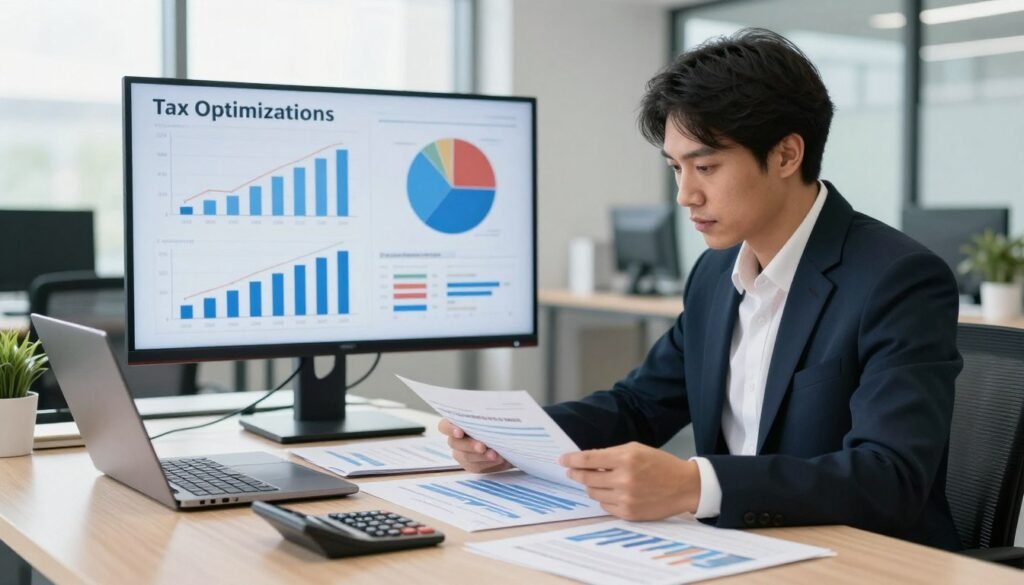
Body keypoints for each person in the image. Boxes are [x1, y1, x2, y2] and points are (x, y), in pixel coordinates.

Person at [439, 28, 963, 550]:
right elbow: (640, 406)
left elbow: (889, 477)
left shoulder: (897, 279)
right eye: (675, 168)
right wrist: (514, 437)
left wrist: (695, 485)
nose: (685, 194)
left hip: (861, 559)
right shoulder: (715, 276)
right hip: (741, 547)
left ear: (785, 156)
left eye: (706, 167)